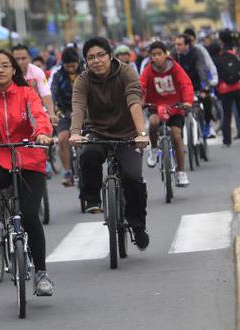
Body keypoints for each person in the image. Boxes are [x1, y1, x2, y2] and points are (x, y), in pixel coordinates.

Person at [0, 49, 54, 296]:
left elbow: (38, 117)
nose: (1, 70)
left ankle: (41, 274)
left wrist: (42, 135)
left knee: (29, 216)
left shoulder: (27, 94)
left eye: (5, 65)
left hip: (30, 161)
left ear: (14, 69)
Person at [69, 36, 150, 250]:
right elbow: (78, 106)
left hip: (128, 134)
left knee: (133, 178)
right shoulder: (83, 80)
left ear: (110, 55)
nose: (96, 60)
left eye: (100, 55)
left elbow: (134, 101)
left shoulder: (126, 72)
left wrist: (141, 132)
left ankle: (138, 226)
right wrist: (75, 132)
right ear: (86, 61)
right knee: (87, 154)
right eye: (90, 58)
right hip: (98, 131)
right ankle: (92, 198)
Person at [141, 41, 193, 187]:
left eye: (159, 54)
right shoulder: (148, 69)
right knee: (153, 123)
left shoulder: (175, 67)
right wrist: (138, 101)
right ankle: (154, 149)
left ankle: (181, 173)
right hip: (155, 105)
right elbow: (141, 86)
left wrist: (188, 101)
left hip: (175, 107)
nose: (157, 58)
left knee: (176, 135)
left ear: (165, 54)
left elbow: (185, 84)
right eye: (153, 55)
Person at [50, 46, 84, 187]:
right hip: (64, 111)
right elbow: (52, 95)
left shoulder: (86, 72)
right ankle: (68, 171)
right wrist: (52, 111)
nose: (70, 68)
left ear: (78, 62)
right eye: (67, 66)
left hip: (84, 112)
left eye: (73, 65)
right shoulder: (58, 75)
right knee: (63, 138)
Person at [214, 30, 240, 146]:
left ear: (220, 40)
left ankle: (227, 140)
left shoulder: (219, 53)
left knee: (227, 115)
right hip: (238, 86)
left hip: (225, 89)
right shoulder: (234, 51)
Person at [183, 28, 219, 138]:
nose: (189, 43)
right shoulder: (177, 52)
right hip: (184, 85)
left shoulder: (200, 50)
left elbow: (208, 65)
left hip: (199, 82)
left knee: (207, 100)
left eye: (191, 40)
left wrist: (212, 81)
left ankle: (208, 125)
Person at [11, 44, 58, 124]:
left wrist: (51, 114)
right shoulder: (7, 74)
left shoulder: (37, 72)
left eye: (23, 58)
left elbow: (45, 94)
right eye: (17, 59)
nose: (20, 62)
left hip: (34, 110)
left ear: (29, 58)